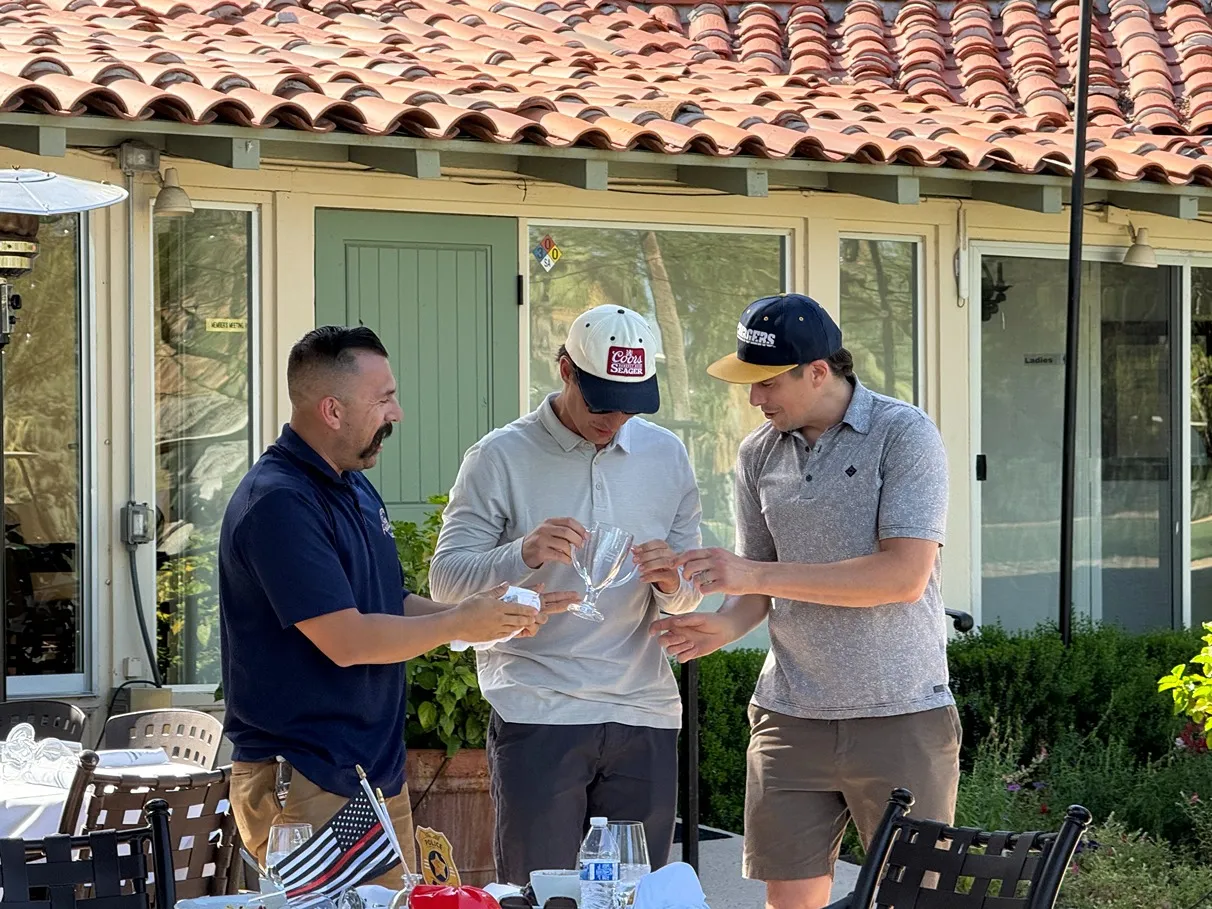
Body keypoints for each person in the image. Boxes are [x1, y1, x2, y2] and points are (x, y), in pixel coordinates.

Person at [651, 294, 959, 909]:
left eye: (767, 383)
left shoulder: (903, 434)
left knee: (910, 900)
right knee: (787, 902)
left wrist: (752, 575)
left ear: (818, 372)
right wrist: (723, 626)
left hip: (899, 711)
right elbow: (757, 586)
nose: (754, 399)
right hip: (789, 715)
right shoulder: (757, 454)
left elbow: (902, 576)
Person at [219, 325, 542, 880]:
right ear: (333, 410)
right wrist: (458, 622)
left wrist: (488, 616)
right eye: (384, 399)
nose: (397, 413)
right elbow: (347, 641)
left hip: (370, 776)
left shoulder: (351, 485)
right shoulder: (278, 502)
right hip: (310, 780)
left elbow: (387, 604)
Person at [429, 304, 703, 886]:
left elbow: (687, 600)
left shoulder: (667, 455)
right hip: (538, 704)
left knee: (633, 899)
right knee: (541, 894)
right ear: (565, 371)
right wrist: (523, 553)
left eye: (631, 405)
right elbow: (446, 582)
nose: (616, 420)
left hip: (644, 710)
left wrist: (672, 582)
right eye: (602, 403)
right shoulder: (499, 455)